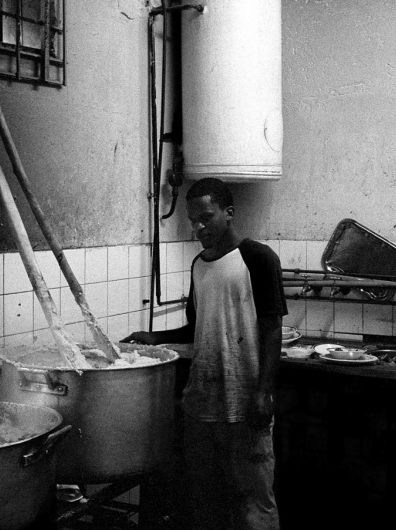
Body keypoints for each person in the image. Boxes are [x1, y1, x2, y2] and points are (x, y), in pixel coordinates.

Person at [124, 177, 286, 530]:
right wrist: (153, 337)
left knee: (254, 498)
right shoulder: (199, 265)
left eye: (206, 218)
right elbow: (194, 330)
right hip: (202, 403)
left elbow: (272, 329)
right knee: (205, 497)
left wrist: (263, 392)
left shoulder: (258, 258)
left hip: (244, 403)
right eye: (193, 220)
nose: (198, 227)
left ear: (228, 214)